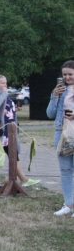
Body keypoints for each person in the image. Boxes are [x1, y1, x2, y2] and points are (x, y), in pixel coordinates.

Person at [0, 74, 37, 187]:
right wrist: (4, 94)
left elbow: (11, 112)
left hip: (11, 129)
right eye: (2, 83)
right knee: (12, 154)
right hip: (1, 130)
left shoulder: (5, 96)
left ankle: (13, 178)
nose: (5, 85)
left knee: (13, 153)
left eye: (6, 83)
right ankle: (23, 179)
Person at [47, 60, 74, 217]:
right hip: (61, 133)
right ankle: (68, 204)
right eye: (65, 74)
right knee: (65, 170)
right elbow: (50, 114)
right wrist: (54, 96)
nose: (67, 77)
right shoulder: (60, 91)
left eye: (70, 74)